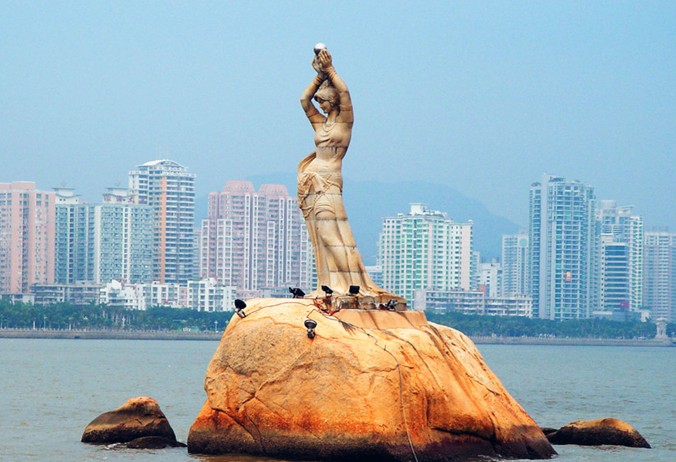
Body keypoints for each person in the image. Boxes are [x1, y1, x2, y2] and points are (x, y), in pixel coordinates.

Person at [298, 47, 403, 307]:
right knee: (321, 238)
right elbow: (303, 100)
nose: (319, 105)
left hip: (329, 184)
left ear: (333, 101)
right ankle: (332, 285)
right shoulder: (321, 124)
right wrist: (319, 76)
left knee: (331, 235)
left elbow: (345, 93)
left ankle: (349, 286)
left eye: (323, 101)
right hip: (312, 186)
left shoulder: (344, 123)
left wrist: (331, 70)